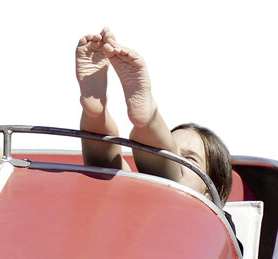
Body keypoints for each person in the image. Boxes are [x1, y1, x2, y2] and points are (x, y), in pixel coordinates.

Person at [75, 28, 233, 204]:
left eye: (189, 158)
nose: (175, 158)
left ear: (210, 191)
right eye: (172, 147)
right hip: (130, 214)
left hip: (183, 219)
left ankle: (148, 118)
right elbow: (107, 166)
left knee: (162, 184)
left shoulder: (218, 226)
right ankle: (96, 113)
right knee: (112, 175)